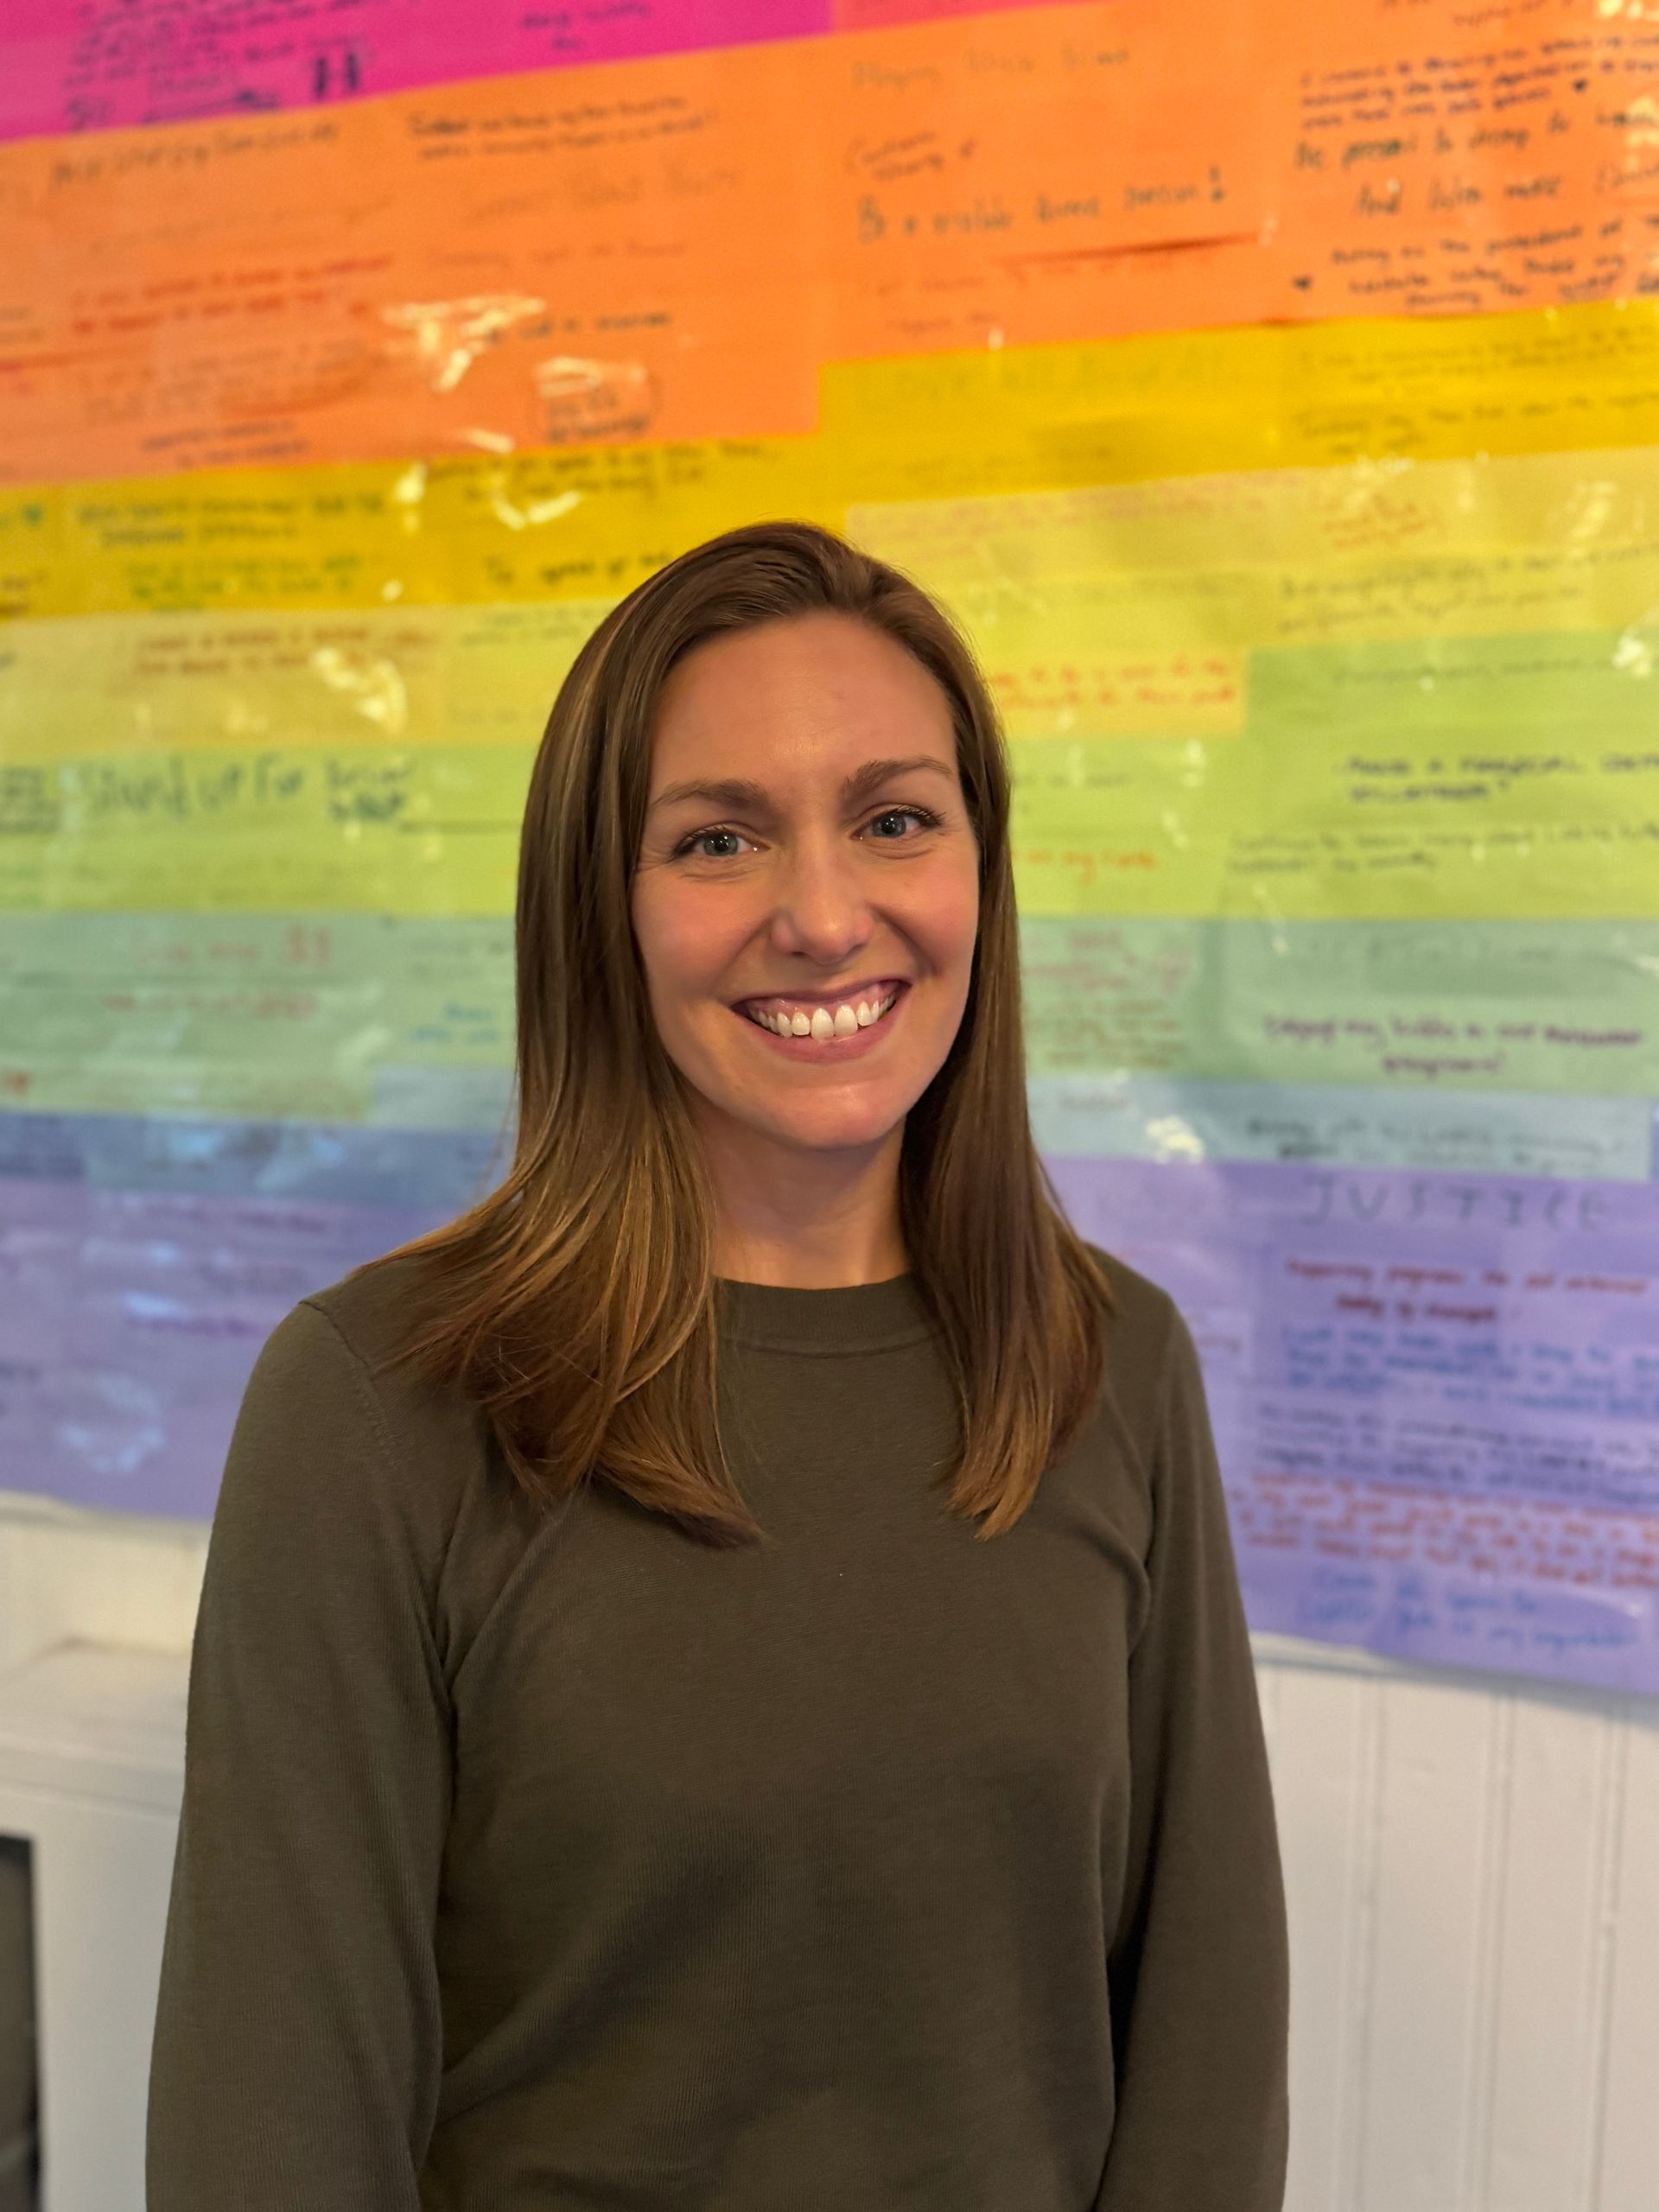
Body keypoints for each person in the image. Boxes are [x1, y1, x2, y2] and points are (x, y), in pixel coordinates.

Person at [146, 520, 1289, 2210]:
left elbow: (1206, 2040)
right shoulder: (379, 1400)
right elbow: (272, 2125)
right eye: (717, 838)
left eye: (895, 817)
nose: (825, 916)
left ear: (979, 866)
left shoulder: (1110, 1359)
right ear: (598, 907)